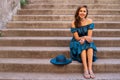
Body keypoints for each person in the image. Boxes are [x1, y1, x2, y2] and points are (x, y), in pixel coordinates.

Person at [69, 5, 97, 79]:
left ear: (86, 13)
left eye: (84, 11)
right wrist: (84, 38)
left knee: (90, 44)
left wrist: (85, 38)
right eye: (81, 11)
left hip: (86, 39)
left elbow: (89, 36)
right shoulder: (74, 23)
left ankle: (90, 69)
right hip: (76, 41)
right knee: (82, 44)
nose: (82, 13)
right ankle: (85, 69)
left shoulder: (90, 21)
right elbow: (77, 37)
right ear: (78, 12)